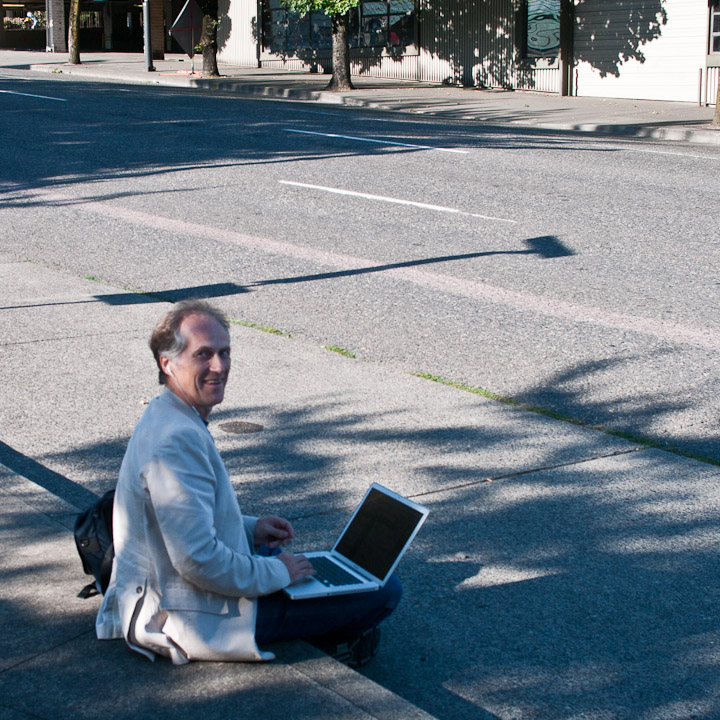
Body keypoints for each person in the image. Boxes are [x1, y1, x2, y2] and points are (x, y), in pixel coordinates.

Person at [96, 299, 401, 666]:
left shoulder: (168, 413)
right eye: (203, 354)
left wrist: (252, 529)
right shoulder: (175, 439)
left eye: (224, 352)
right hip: (188, 615)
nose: (219, 366)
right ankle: (334, 645)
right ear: (167, 363)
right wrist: (278, 572)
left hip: (172, 593)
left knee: (293, 564)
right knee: (384, 592)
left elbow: (181, 521)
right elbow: (198, 561)